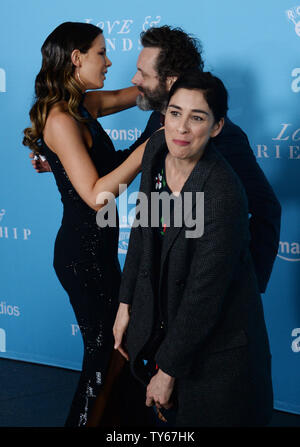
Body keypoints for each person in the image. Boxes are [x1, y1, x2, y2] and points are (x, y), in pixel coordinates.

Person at [33, 25, 281, 295]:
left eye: (142, 73)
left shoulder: (225, 137)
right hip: (156, 279)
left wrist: (249, 285)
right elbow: (135, 158)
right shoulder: (157, 119)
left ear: (170, 81)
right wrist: (66, 164)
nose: (133, 79)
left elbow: (267, 208)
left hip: (205, 281)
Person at [113, 70, 274, 427]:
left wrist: (167, 371)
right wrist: (126, 303)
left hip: (220, 355)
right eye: (174, 112)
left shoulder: (222, 194)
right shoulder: (156, 148)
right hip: (172, 330)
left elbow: (205, 295)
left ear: (217, 127)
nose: (181, 128)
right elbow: (144, 229)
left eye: (197, 117)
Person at [23, 21, 150, 427]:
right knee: (103, 354)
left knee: (120, 350)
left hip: (100, 253)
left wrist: (173, 83)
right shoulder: (60, 119)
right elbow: (97, 195)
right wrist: (150, 146)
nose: (110, 60)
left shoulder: (84, 107)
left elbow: (142, 95)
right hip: (82, 257)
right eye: (101, 52)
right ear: (76, 58)